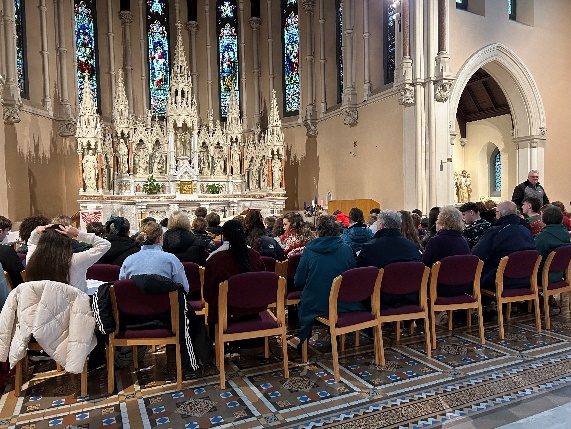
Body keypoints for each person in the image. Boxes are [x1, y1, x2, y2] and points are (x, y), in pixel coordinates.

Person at [295, 215, 364, 345]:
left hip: (317, 301)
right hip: (343, 300)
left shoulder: (309, 250)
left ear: (318, 230)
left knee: (304, 303)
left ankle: (304, 343)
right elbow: (352, 276)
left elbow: (299, 281)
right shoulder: (346, 249)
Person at [203, 220, 265, 325]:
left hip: (225, 313)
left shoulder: (214, 259)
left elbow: (208, 295)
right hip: (253, 309)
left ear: (223, 235)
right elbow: (262, 283)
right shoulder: (255, 256)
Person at [357, 210, 421, 309]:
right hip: (410, 298)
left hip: (381, 301)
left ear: (381, 225)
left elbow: (361, 274)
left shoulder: (371, 247)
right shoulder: (412, 246)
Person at [26, 224, 111, 293]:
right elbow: (105, 245)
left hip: (40, 308)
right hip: (74, 309)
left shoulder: (33, 259)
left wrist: (36, 231)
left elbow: (31, 243)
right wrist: (78, 234)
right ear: (67, 241)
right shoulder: (75, 260)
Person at [472, 201, 535, 292]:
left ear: (499, 214)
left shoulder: (495, 232)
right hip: (525, 279)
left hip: (501, 280)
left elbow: (477, 254)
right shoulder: (526, 230)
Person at [119, 221, 189, 293]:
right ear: (159, 238)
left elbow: (123, 287)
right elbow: (184, 288)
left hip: (135, 303)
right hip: (165, 303)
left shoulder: (128, 260)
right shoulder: (171, 260)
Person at [534, 205, 571, 284]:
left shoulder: (543, 237)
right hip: (559, 274)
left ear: (544, 219)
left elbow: (534, 256)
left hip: (542, 276)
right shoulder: (566, 234)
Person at [0, 216, 24, 287]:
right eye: (7, 230)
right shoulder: (6, 251)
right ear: (0, 231)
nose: (7, 234)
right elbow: (18, 277)